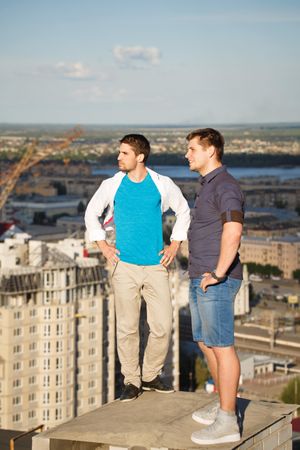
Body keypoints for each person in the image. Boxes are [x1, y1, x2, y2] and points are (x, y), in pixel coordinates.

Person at [85, 133, 190, 402]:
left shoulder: (161, 184)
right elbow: (91, 212)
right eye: (119, 153)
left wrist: (174, 246)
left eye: (124, 153)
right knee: (128, 328)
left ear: (140, 156)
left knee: (162, 326)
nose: (119, 158)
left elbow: (183, 210)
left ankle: (151, 374)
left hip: (156, 266)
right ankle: (131, 380)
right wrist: (103, 246)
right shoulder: (112, 184)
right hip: (124, 267)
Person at [185, 128, 244, 445]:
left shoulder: (225, 185)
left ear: (211, 151)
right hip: (200, 276)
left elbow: (233, 232)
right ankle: (224, 403)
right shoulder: (206, 185)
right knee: (206, 342)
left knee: (222, 346)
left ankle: (227, 420)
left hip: (215, 278)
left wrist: (219, 273)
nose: (187, 154)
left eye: (192, 149)